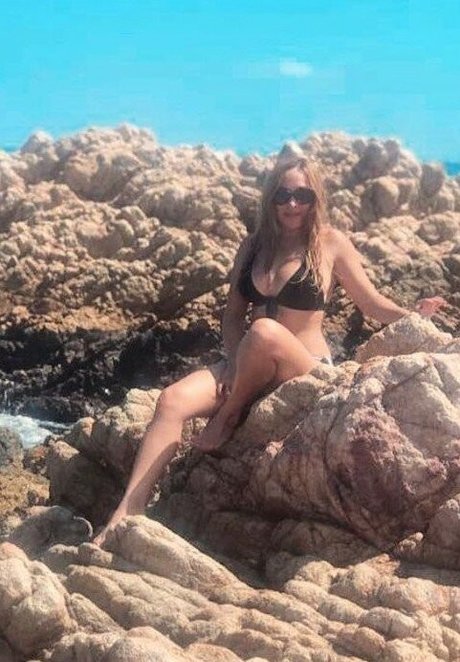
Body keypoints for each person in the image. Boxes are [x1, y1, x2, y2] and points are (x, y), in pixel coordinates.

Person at [93, 156, 445, 546]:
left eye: (302, 195)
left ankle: (228, 416)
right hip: (248, 362)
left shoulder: (330, 243)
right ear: (271, 198)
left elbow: (371, 303)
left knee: (263, 330)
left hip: (304, 367)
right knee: (172, 400)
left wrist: (414, 315)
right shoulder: (252, 246)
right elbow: (232, 316)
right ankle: (127, 512)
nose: (292, 204)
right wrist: (231, 364)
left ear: (315, 198)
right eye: (283, 195)